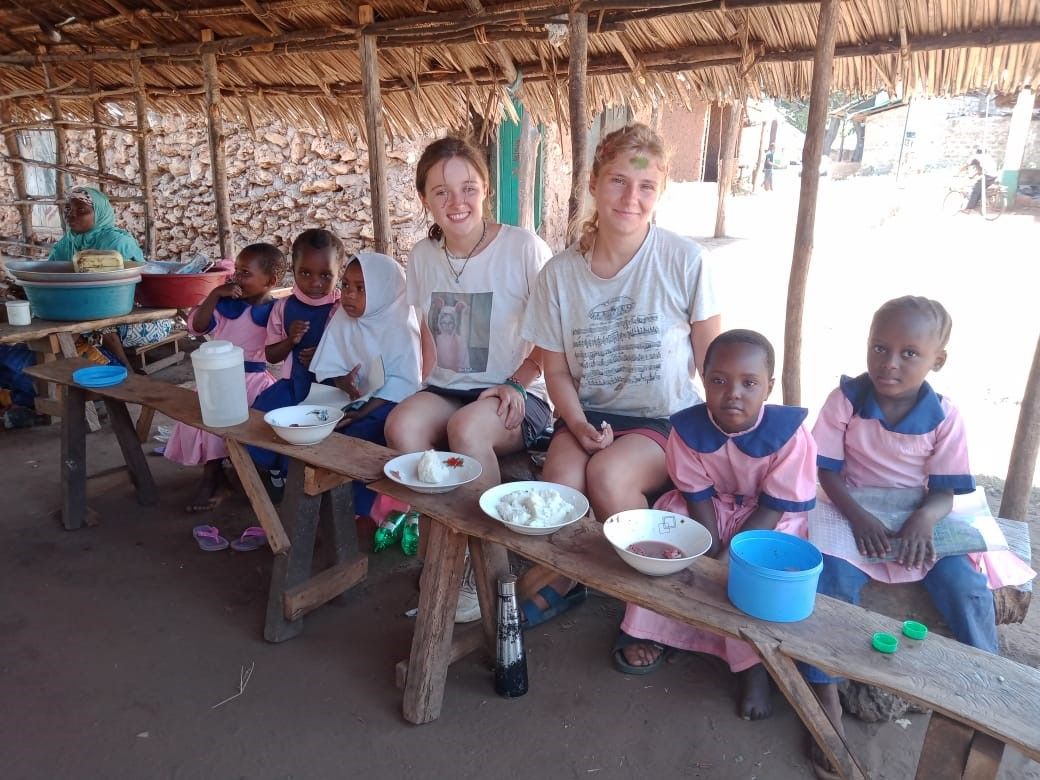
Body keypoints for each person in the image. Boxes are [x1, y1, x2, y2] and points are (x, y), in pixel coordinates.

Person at [802, 296, 1035, 778]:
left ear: (937, 360)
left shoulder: (945, 416)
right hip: (851, 509)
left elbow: (945, 492)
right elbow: (827, 473)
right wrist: (859, 517)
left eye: (909, 353)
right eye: (880, 347)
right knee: (831, 584)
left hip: (917, 513)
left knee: (964, 585)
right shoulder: (844, 400)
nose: (890, 363)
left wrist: (924, 521)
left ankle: (985, 681)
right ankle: (823, 692)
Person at [522, 123, 721, 627]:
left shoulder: (683, 260)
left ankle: (652, 615)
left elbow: (714, 362)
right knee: (560, 489)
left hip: (663, 417)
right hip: (588, 414)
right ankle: (567, 582)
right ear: (593, 182)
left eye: (646, 186)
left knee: (609, 477)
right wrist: (578, 422)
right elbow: (557, 368)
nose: (631, 197)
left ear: (660, 192)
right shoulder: (561, 275)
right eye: (618, 181)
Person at [383, 135, 553, 623]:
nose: (456, 202)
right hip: (449, 390)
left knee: (468, 429)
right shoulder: (422, 256)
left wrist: (519, 382)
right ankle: (443, 542)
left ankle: (485, 571)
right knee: (403, 426)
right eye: (440, 192)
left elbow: (552, 336)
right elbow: (428, 341)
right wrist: (417, 386)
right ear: (423, 199)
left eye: (468, 187)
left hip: (521, 391)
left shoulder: (522, 247)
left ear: (485, 191)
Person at [616, 330, 817, 720]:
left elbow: (775, 505)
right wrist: (706, 545)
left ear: (769, 386)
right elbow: (695, 493)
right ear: (703, 381)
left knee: (755, 572)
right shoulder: (687, 429)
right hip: (708, 508)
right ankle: (652, 631)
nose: (733, 393)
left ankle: (753, 667)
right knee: (666, 541)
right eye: (719, 381)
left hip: (766, 519)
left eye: (749, 382)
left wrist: (731, 551)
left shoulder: (790, 437)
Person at [164, 243, 286, 514]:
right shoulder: (226, 305)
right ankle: (216, 475)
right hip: (217, 377)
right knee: (197, 415)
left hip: (251, 380)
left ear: (270, 281)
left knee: (230, 416)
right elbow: (197, 326)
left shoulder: (276, 311)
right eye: (236, 272)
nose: (236, 279)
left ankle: (214, 477)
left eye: (245, 273)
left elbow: (277, 351)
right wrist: (215, 295)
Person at [311, 252, 422, 517]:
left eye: (361, 288)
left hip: (386, 405)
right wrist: (342, 381)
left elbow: (405, 383)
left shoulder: (400, 327)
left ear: (384, 291)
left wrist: (363, 410)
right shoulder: (343, 318)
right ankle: (310, 494)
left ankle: (360, 508)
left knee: (355, 438)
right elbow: (328, 365)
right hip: (346, 400)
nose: (349, 295)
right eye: (346, 285)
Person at [249, 229, 345, 491]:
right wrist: (290, 340)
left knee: (322, 434)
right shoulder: (283, 307)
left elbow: (353, 353)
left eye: (325, 275)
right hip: (292, 385)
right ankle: (277, 472)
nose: (315, 283)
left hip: (330, 391)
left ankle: (316, 483)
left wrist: (325, 356)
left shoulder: (342, 309)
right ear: (293, 269)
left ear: (339, 273)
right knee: (261, 421)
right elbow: (271, 355)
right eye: (306, 273)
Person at [50, 186, 173, 370]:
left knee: (96, 326)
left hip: (134, 315)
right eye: (68, 209)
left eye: (81, 210)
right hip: (83, 312)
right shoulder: (66, 244)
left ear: (99, 213)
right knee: (65, 326)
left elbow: (138, 289)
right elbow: (50, 276)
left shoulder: (117, 242)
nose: (71, 215)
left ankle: (126, 375)